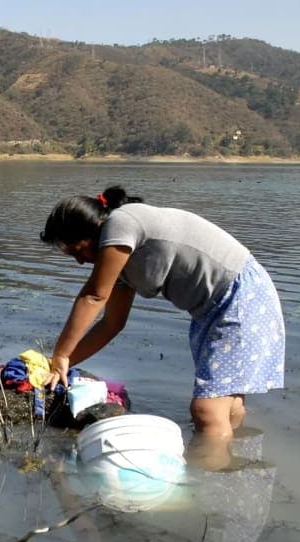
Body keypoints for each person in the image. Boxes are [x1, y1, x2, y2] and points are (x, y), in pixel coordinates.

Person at [40, 185, 285, 465]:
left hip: (239, 298)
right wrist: (60, 365)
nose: (80, 262)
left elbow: (94, 295)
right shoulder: (121, 261)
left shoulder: (122, 223)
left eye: (78, 251)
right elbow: (111, 324)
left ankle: (206, 481)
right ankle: (230, 482)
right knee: (227, 404)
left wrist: (60, 354)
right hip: (213, 310)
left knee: (207, 410)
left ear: (94, 229)